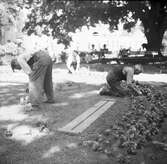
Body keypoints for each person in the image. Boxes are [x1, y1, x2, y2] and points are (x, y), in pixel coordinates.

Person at [11, 43, 55, 110]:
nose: (20, 69)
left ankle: (35, 105)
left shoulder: (19, 59)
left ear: (15, 63)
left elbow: (30, 73)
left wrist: (30, 86)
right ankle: (50, 99)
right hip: (47, 57)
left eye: (17, 68)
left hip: (41, 59)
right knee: (47, 81)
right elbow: (33, 72)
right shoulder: (26, 58)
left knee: (34, 83)